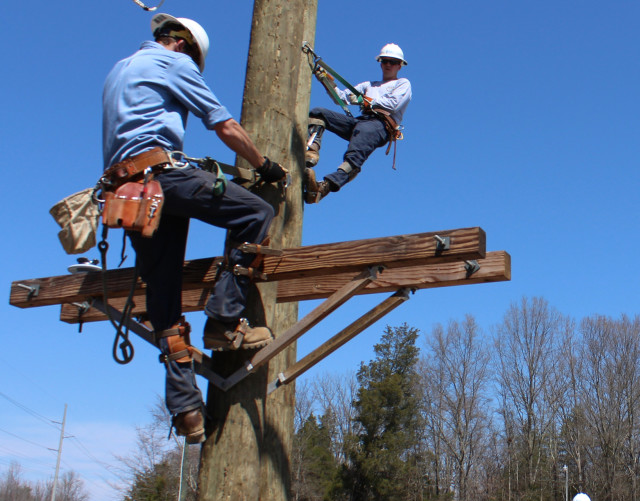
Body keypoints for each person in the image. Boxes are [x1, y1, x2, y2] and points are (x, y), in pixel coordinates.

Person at [102, 13, 287, 443]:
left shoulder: (118, 70)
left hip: (127, 194)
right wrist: (264, 166)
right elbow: (223, 124)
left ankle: (186, 410)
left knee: (164, 297)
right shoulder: (175, 65)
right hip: (161, 178)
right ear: (185, 46)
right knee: (255, 213)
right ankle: (224, 319)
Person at [304, 43, 412, 203]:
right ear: (380, 63)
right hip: (361, 122)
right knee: (318, 113)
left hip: (380, 125)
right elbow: (340, 97)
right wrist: (326, 81)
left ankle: (324, 187)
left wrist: (367, 100)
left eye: (393, 62)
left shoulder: (402, 83)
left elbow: (392, 104)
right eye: (385, 61)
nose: (388, 65)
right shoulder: (369, 85)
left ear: (400, 66)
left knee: (355, 154)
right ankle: (311, 149)